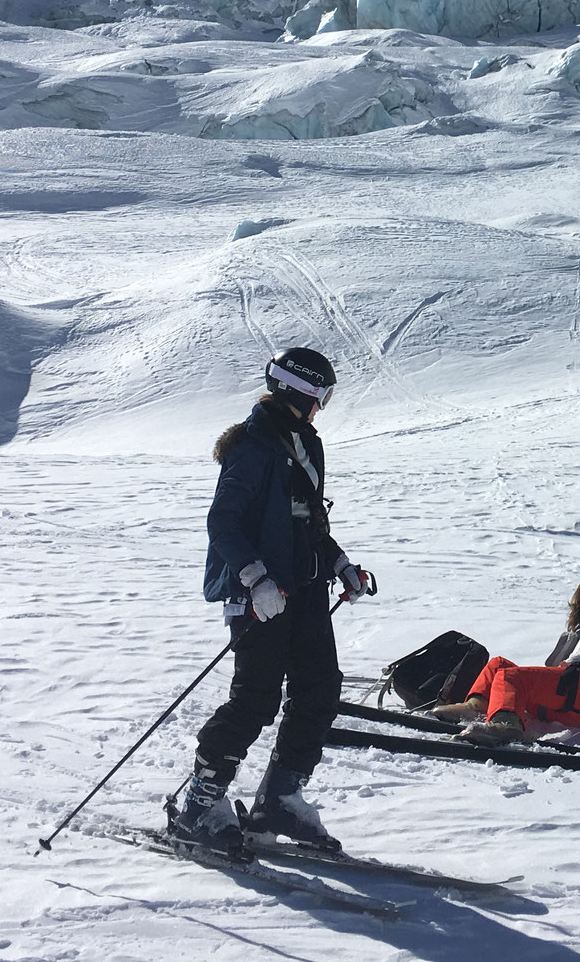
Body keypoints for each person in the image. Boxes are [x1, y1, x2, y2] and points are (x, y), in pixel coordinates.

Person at [169, 347, 372, 853]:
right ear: (297, 390)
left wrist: (342, 564)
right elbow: (224, 522)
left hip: (302, 590)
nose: (322, 405)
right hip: (258, 595)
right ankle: (201, 800)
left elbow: (308, 524)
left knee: (320, 689)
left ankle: (280, 799)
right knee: (257, 698)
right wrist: (255, 578)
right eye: (320, 394)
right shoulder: (253, 446)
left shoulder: (305, 442)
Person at [431, 575, 580, 746]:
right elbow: (553, 669)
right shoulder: (579, 633)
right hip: (573, 697)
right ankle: (477, 708)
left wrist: (575, 658)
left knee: (512, 676)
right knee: (498, 665)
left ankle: (506, 726)